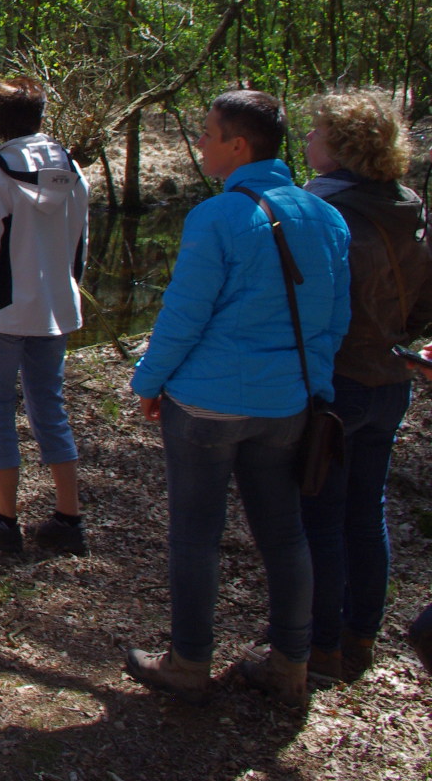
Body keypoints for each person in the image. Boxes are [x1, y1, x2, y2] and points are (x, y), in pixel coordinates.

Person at [125, 90, 350, 706]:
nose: (200, 142)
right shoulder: (326, 218)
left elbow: (183, 317)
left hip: (205, 407)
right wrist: (314, 389)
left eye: (208, 132)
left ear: (239, 146)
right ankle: (289, 664)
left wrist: (148, 383)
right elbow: (333, 320)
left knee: (195, 535)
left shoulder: (217, 218)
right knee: (284, 533)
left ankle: (189, 663)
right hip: (286, 406)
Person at [299, 90, 432, 683]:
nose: (307, 141)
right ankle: (361, 637)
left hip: (340, 384)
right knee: (365, 510)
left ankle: (322, 647)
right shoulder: (411, 209)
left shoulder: (322, 209)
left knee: (323, 515)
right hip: (392, 378)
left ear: (344, 145)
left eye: (318, 132)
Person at [0, 76, 90, 556]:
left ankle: (5, 523)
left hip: (4, 317)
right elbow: (79, 243)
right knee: (49, 408)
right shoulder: (69, 166)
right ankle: (68, 519)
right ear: (40, 113)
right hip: (54, 311)